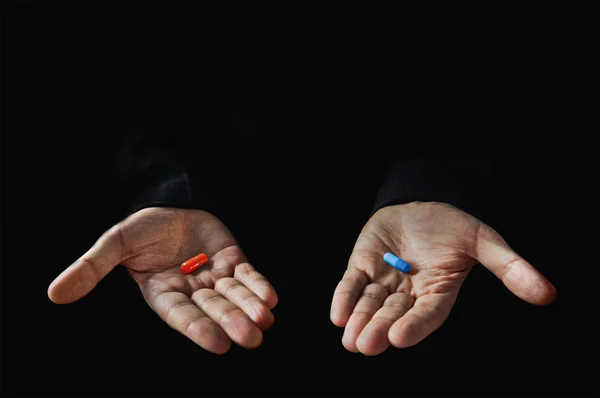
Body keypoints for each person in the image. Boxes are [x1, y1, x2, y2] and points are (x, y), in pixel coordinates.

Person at [47, 75, 557, 356]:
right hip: (230, 218)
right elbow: (127, 86)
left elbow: (502, 87)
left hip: (420, 251)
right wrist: (168, 187)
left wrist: (429, 184)